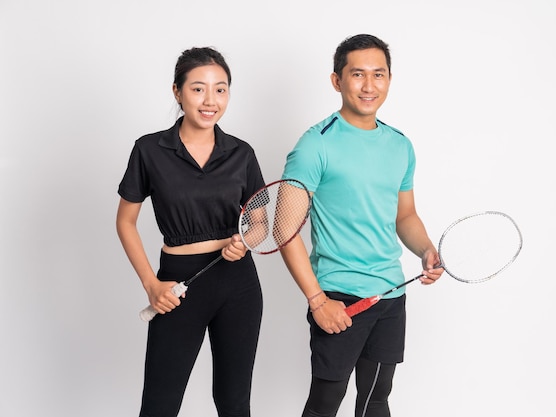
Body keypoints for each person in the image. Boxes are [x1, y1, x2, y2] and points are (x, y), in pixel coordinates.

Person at [279, 34, 445, 417]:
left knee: (376, 399)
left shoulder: (400, 145)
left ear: (389, 79)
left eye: (378, 74)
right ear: (337, 81)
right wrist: (318, 300)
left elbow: (404, 215)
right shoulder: (314, 145)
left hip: (391, 294)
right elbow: (284, 230)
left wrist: (425, 250)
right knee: (325, 404)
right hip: (340, 297)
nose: (369, 86)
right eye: (357, 74)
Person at [116, 46, 265, 417]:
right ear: (177, 92)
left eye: (221, 89)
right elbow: (125, 221)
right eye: (198, 88)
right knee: (159, 405)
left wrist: (245, 242)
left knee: (233, 403)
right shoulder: (149, 150)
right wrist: (152, 283)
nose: (210, 100)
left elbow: (261, 222)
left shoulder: (241, 154)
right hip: (177, 284)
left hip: (239, 285)